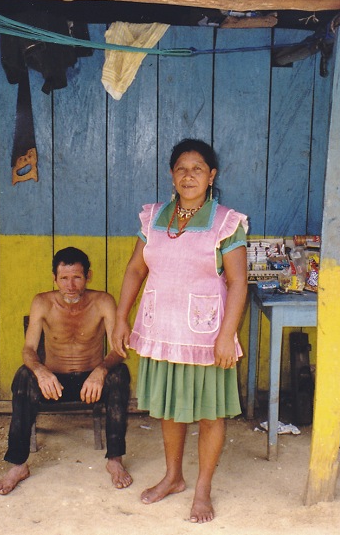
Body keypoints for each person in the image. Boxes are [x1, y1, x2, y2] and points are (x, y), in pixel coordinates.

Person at [112, 139, 248, 523]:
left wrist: (226, 334)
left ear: (212, 176)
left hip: (206, 336)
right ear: (172, 175)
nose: (189, 175)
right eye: (182, 169)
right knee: (170, 410)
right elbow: (136, 269)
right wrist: (122, 317)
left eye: (198, 169)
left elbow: (238, 282)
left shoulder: (226, 222)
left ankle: (202, 488)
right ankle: (173, 477)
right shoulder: (154, 217)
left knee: (209, 414)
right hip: (162, 330)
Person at [0, 246, 132, 495]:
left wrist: (100, 371)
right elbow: (28, 349)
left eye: (77, 277)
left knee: (120, 375)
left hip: (91, 383)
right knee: (24, 376)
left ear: (88, 276)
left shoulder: (102, 301)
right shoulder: (42, 302)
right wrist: (40, 371)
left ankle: (115, 461)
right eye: (64, 278)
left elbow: (118, 349)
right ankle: (18, 465)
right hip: (54, 384)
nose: (70, 285)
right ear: (54, 278)